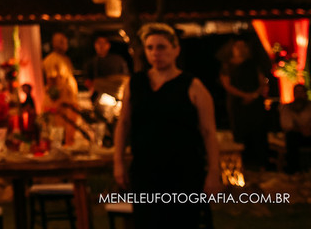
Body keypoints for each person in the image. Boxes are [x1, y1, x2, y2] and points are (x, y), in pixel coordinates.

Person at [114, 23, 219, 229]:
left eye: (161, 47)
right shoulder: (136, 84)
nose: (155, 53)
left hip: (183, 171)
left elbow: (208, 131)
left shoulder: (193, 86)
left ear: (175, 49)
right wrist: (118, 161)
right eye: (150, 48)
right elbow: (124, 123)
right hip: (145, 169)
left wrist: (214, 171)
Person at [220, 38, 269, 168]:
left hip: (254, 103)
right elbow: (227, 84)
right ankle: (244, 166)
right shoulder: (227, 65)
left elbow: (262, 81)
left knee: (257, 132)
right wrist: (244, 95)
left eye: (243, 46)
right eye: (237, 46)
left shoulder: (253, 64)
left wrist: (254, 95)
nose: (240, 49)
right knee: (241, 132)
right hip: (238, 103)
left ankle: (260, 165)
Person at [42, 31, 80, 143]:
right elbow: (52, 83)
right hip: (60, 103)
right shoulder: (51, 59)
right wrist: (57, 102)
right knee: (59, 133)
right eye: (61, 41)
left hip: (70, 101)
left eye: (65, 41)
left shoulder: (65, 58)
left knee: (70, 132)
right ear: (54, 43)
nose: (64, 44)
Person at [279, 83, 311, 172]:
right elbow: (286, 125)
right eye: (297, 92)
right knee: (291, 137)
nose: (299, 95)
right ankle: (294, 171)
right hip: (295, 136)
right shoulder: (287, 108)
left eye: (301, 92)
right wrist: (301, 129)